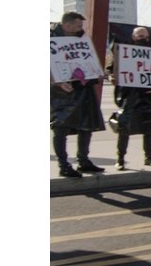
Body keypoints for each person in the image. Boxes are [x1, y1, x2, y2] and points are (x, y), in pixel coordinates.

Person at [50, 12, 106, 178]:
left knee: (86, 126)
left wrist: (97, 72)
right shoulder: (50, 40)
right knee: (61, 128)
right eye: (78, 25)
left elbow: (89, 60)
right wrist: (57, 82)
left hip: (84, 89)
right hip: (61, 91)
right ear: (67, 25)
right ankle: (64, 165)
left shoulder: (83, 40)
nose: (81, 28)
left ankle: (83, 161)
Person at [110, 27, 151, 170]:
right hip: (130, 97)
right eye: (140, 36)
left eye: (145, 36)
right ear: (133, 37)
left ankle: (148, 156)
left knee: (149, 127)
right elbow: (112, 69)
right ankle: (120, 158)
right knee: (124, 127)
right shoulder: (125, 52)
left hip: (148, 97)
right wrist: (112, 77)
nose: (143, 38)